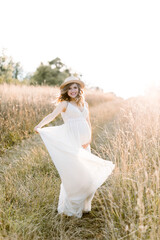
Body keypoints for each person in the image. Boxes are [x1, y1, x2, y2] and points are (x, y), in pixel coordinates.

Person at [34, 75, 115, 218]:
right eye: (70, 88)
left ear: (79, 90)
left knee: (87, 173)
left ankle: (84, 206)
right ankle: (71, 208)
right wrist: (40, 125)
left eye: (75, 88)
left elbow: (88, 122)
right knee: (75, 174)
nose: (73, 90)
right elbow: (52, 116)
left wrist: (89, 138)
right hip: (73, 141)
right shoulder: (65, 104)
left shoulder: (85, 104)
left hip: (85, 142)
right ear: (66, 90)